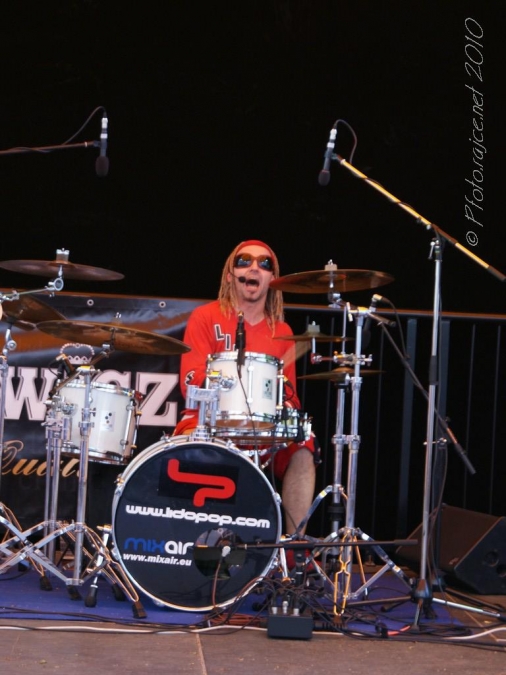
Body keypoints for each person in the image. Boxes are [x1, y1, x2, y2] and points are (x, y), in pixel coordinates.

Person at [173, 239, 320, 541]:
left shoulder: (282, 332)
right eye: (244, 261)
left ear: (272, 279)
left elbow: (289, 396)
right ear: (230, 275)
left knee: (303, 447)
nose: (254, 268)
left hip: (262, 428)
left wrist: (287, 409)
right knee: (186, 445)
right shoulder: (205, 316)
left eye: (264, 264)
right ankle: (185, 538)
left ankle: (293, 548)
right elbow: (189, 382)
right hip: (205, 420)